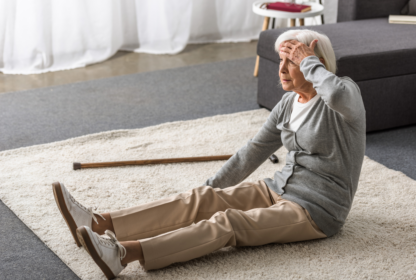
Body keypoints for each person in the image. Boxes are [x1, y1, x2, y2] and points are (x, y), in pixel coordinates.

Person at [52, 29, 366, 280]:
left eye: (292, 61)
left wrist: (309, 61)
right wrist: (209, 188)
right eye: (280, 60)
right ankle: (98, 222)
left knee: (228, 223)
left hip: (316, 210)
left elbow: (335, 92)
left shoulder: (344, 96)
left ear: (315, 62)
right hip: (277, 188)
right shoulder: (287, 103)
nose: (281, 69)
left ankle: (123, 254)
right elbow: (252, 151)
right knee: (201, 200)